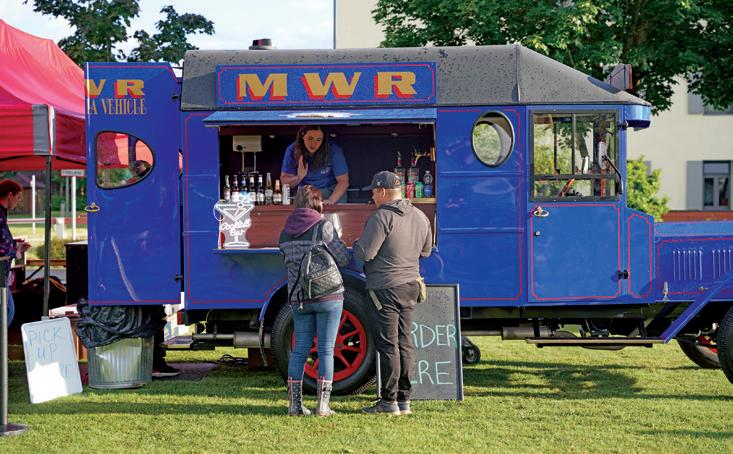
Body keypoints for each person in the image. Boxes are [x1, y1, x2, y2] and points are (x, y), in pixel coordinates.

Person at [353, 171, 432, 415]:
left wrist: (356, 244)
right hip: (410, 285)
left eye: (374, 192)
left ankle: (389, 402)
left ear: (383, 191)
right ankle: (404, 400)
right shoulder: (420, 216)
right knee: (405, 342)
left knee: (388, 345)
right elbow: (426, 251)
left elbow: (365, 253)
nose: (372, 197)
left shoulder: (381, 217)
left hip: (384, 287)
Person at [278, 185, 350, 416]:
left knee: (299, 351)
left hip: (299, 298)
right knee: (326, 350)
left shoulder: (285, 232)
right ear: (318, 204)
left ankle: (295, 406)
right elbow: (343, 258)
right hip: (327, 295)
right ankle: (323, 406)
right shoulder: (323, 226)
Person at [280, 126, 349, 205]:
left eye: (318, 140)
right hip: (307, 193)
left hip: (331, 192)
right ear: (303, 135)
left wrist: (331, 200)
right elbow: (284, 182)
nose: (314, 144)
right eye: (310, 139)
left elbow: (343, 181)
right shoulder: (292, 150)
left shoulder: (333, 149)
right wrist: (298, 177)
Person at [0, 180, 31, 326]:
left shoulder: (3, 215)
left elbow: (3, 241)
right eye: (18, 197)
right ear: (10, 195)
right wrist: (15, 250)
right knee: (7, 312)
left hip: (3, 274)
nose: (19, 201)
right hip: (1, 274)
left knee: (7, 311)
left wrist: (16, 246)